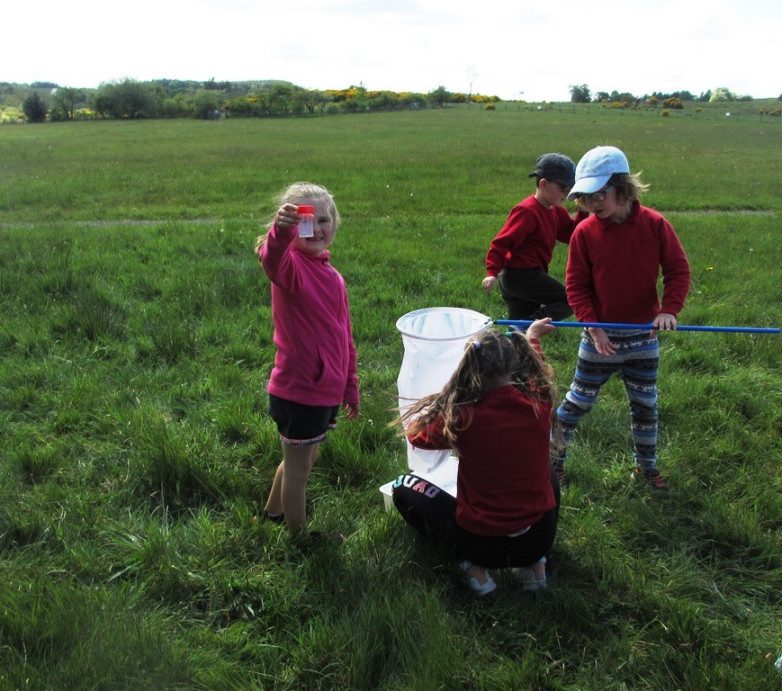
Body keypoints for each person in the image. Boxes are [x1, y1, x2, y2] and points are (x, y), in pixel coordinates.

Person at [552, 146, 691, 492]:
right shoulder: (584, 233)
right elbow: (576, 286)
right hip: (599, 339)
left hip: (643, 337)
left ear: (624, 187)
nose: (592, 203)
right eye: (585, 197)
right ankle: (552, 464)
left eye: (601, 193)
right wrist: (593, 327)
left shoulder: (655, 225)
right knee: (576, 403)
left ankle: (646, 468)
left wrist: (669, 310)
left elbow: (678, 270)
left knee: (645, 407)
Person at [391, 320, 561, 596]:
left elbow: (416, 437)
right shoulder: (539, 404)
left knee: (402, 485)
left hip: (481, 546)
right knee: (549, 472)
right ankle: (535, 565)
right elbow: (539, 377)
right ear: (516, 364)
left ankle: (474, 569)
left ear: (470, 369)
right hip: (539, 538)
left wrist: (447, 400)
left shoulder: (462, 417)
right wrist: (532, 339)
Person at [255, 182, 360, 540]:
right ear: (291, 227)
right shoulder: (292, 268)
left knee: (303, 459)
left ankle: (273, 513)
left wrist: (350, 385)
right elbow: (272, 259)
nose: (316, 229)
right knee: (299, 471)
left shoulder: (332, 276)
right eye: (305, 221)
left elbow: (344, 337)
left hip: (323, 391)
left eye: (324, 220)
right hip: (299, 393)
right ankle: (299, 539)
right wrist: (280, 232)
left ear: (335, 224)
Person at [482, 153, 588, 321]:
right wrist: (492, 272)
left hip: (527, 277)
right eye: (563, 188)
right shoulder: (527, 211)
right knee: (569, 300)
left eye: (571, 189)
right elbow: (501, 243)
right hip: (519, 275)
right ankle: (532, 326)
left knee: (518, 327)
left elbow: (571, 234)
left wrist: (583, 210)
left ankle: (521, 331)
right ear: (544, 184)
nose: (567, 193)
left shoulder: (557, 211)